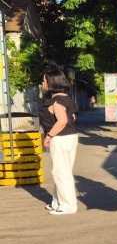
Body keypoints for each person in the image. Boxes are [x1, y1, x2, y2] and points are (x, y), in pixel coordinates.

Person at [39, 67, 79, 215]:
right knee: (63, 171)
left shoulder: (57, 101)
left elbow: (61, 121)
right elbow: (72, 118)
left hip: (60, 138)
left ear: (52, 82)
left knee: (61, 173)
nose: (43, 83)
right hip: (70, 137)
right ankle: (57, 202)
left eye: (44, 80)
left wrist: (48, 136)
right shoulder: (67, 98)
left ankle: (68, 205)